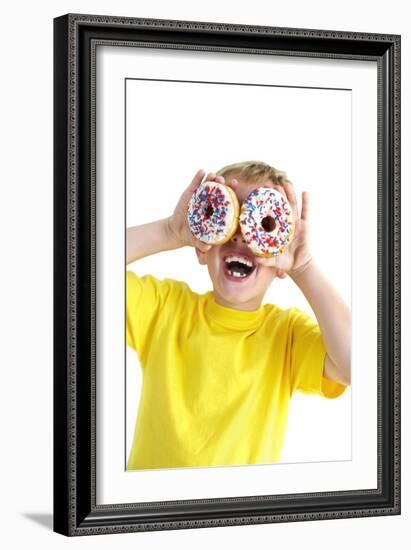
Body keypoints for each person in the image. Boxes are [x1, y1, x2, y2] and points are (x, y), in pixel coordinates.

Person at [126, 161, 351, 470]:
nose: (241, 236)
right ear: (202, 248)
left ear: (278, 262)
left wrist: (304, 267)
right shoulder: (164, 307)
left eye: (262, 224)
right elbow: (76, 275)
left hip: (236, 513)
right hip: (151, 508)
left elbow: (362, 366)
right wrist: (168, 232)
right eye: (228, 220)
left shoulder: (286, 336)